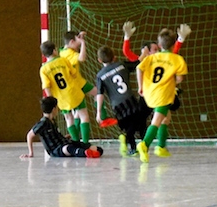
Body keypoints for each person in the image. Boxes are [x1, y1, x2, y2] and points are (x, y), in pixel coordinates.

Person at [124, 22, 191, 154]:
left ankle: (161, 147)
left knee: (166, 118)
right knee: (156, 121)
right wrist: (171, 79)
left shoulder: (151, 58)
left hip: (149, 93)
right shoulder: (177, 59)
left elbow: (138, 68)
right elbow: (179, 78)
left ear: (160, 45)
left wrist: (140, 86)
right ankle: (145, 144)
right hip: (163, 94)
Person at [95, 46, 149, 156]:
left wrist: (99, 112)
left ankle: (132, 148)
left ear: (99, 60)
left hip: (117, 105)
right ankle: (143, 145)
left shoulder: (100, 76)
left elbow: (100, 94)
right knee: (140, 123)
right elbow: (138, 63)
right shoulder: (122, 65)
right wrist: (144, 53)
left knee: (127, 127)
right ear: (114, 57)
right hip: (130, 100)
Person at [61, 31, 117, 128]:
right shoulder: (69, 53)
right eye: (77, 41)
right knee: (94, 95)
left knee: (78, 112)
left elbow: (75, 49)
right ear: (71, 42)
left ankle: (77, 132)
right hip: (77, 83)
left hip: (75, 82)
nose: (79, 44)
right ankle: (102, 118)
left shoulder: (63, 51)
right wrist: (83, 43)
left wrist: (79, 38)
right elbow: (82, 58)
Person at [39, 41, 92, 143]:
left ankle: (75, 142)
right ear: (54, 50)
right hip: (74, 93)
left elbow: (46, 87)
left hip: (61, 98)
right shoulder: (63, 60)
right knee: (84, 116)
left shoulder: (43, 69)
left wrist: (52, 101)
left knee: (68, 119)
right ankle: (85, 143)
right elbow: (74, 73)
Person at [20, 97, 103, 158]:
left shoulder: (53, 121)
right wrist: (31, 153)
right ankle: (85, 153)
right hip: (56, 149)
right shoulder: (43, 123)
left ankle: (90, 151)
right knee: (68, 149)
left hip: (65, 142)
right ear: (54, 109)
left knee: (97, 149)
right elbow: (30, 135)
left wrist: (65, 137)